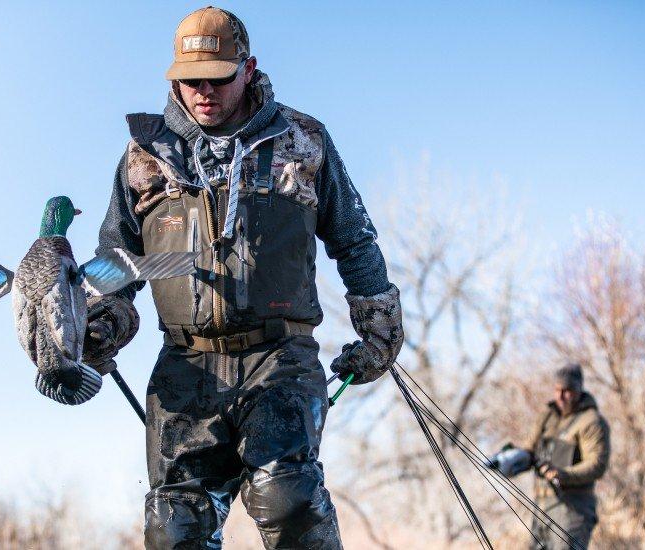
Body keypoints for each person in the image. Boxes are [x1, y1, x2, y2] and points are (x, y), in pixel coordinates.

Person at [83, 6, 404, 549]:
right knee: (175, 526)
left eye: (218, 78)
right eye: (189, 81)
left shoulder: (303, 140)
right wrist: (100, 322)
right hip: (185, 362)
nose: (203, 92)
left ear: (248, 69)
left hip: (279, 356)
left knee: (288, 497)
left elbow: (352, 237)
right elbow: (116, 257)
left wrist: (379, 326)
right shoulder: (144, 156)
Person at [524, 364, 611, 549]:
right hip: (542, 507)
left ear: (579, 389)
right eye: (557, 390)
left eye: (567, 391)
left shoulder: (591, 421)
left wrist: (563, 474)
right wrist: (509, 459)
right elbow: (529, 450)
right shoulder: (548, 416)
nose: (561, 396)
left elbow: (597, 464)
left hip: (573, 510)